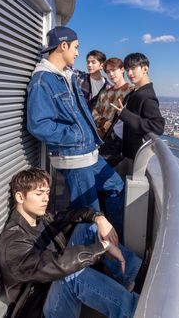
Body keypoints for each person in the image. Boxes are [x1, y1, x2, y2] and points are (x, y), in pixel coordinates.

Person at [0, 168, 141, 318]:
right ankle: (135, 311)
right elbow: (53, 264)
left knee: (88, 229)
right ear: (20, 197)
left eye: (47, 193)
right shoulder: (13, 243)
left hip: (52, 287)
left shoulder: (41, 219)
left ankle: (133, 275)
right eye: (39, 194)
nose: (46, 199)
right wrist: (102, 247)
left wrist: (98, 217)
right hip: (40, 310)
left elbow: (71, 214)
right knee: (72, 274)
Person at [27, 26, 124, 237]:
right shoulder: (43, 81)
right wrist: (76, 135)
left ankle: (117, 242)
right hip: (74, 158)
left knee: (116, 186)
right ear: (63, 46)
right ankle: (111, 265)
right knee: (90, 215)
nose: (78, 53)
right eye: (75, 47)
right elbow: (38, 124)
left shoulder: (68, 76)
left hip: (90, 152)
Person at [111, 53, 165, 179]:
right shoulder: (136, 92)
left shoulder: (146, 96)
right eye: (127, 69)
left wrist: (125, 115)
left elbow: (158, 126)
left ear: (145, 69)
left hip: (133, 157)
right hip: (125, 152)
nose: (129, 73)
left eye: (133, 68)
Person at [92, 57, 134, 166]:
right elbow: (95, 112)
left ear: (122, 69)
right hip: (102, 138)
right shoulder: (105, 93)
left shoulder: (131, 91)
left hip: (119, 142)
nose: (111, 74)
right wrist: (103, 122)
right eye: (108, 72)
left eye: (113, 70)